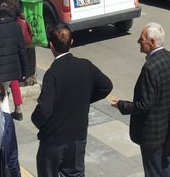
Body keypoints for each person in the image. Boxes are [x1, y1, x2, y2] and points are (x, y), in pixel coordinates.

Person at [32, 23, 112, 177]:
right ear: (72, 42)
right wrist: (85, 99)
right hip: (78, 137)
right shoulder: (85, 65)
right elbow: (106, 86)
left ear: (51, 46)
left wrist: (36, 120)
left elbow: (44, 109)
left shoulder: (52, 73)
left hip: (54, 140)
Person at [112, 22, 170, 177]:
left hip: (153, 134)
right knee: (166, 160)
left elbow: (144, 105)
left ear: (152, 42)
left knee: (153, 170)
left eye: (142, 39)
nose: (138, 42)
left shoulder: (150, 68)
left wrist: (121, 105)